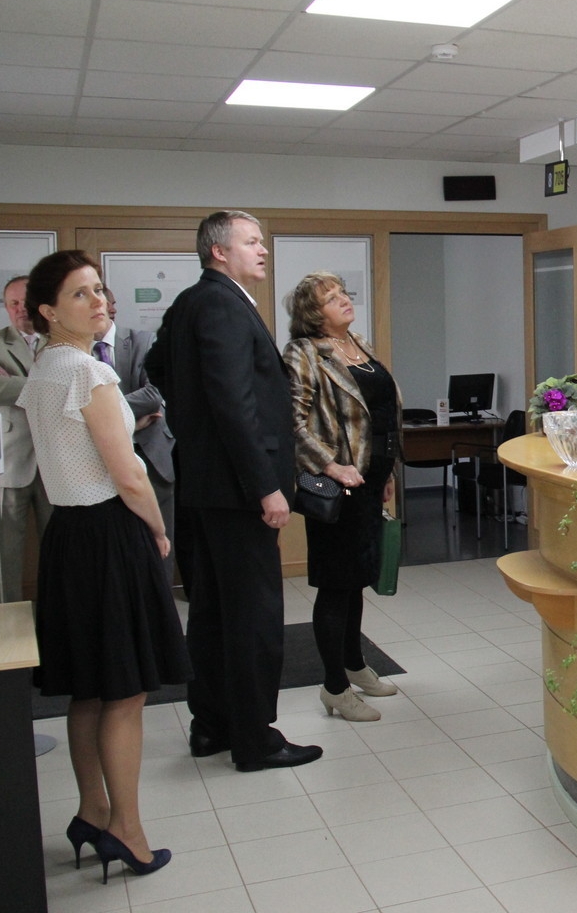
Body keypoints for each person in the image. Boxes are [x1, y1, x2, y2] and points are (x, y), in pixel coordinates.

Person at [15, 250, 188, 883]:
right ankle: (127, 830)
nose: (98, 302)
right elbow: (128, 475)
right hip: (109, 533)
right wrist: (158, 527)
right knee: (125, 690)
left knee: (90, 687)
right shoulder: (88, 372)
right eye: (80, 294)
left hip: (68, 535)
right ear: (48, 310)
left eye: (98, 290)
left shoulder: (45, 368)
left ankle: (92, 812)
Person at [144, 210, 321, 773]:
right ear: (219, 252)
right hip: (239, 491)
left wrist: (191, 423)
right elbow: (234, 403)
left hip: (204, 486)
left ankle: (212, 725)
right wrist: (266, 486)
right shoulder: (223, 304)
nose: (262, 249)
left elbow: (156, 366)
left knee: (214, 613)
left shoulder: (190, 302)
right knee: (253, 616)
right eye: (251, 241)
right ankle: (254, 738)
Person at [282, 272, 403, 722]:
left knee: (356, 581)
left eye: (343, 293)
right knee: (337, 584)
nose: (344, 300)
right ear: (314, 314)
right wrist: (330, 465)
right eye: (332, 298)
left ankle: (355, 665)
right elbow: (291, 422)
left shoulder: (357, 344)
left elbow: (381, 415)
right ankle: (334, 687)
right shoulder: (303, 353)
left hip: (370, 480)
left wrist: (388, 471)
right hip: (338, 486)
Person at [0, 274, 52, 603]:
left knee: (61, 552)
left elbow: (73, 386)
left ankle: (61, 620)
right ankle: (1, 623)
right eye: (13, 303)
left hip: (56, 461)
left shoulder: (60, 338)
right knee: (2, 555)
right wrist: (48, 385)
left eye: (25, 301)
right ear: (6, 307)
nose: (21, 309)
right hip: (7, 461)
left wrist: (15, 382)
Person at [95, 287, 176, 586]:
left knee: (160, 542)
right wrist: (129, 421)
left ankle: (161, 603)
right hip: (102, 461)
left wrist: (100, 411)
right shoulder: (76, 354)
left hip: (151, 454)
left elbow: (154, 394)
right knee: (117, 548)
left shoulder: (143, 340)